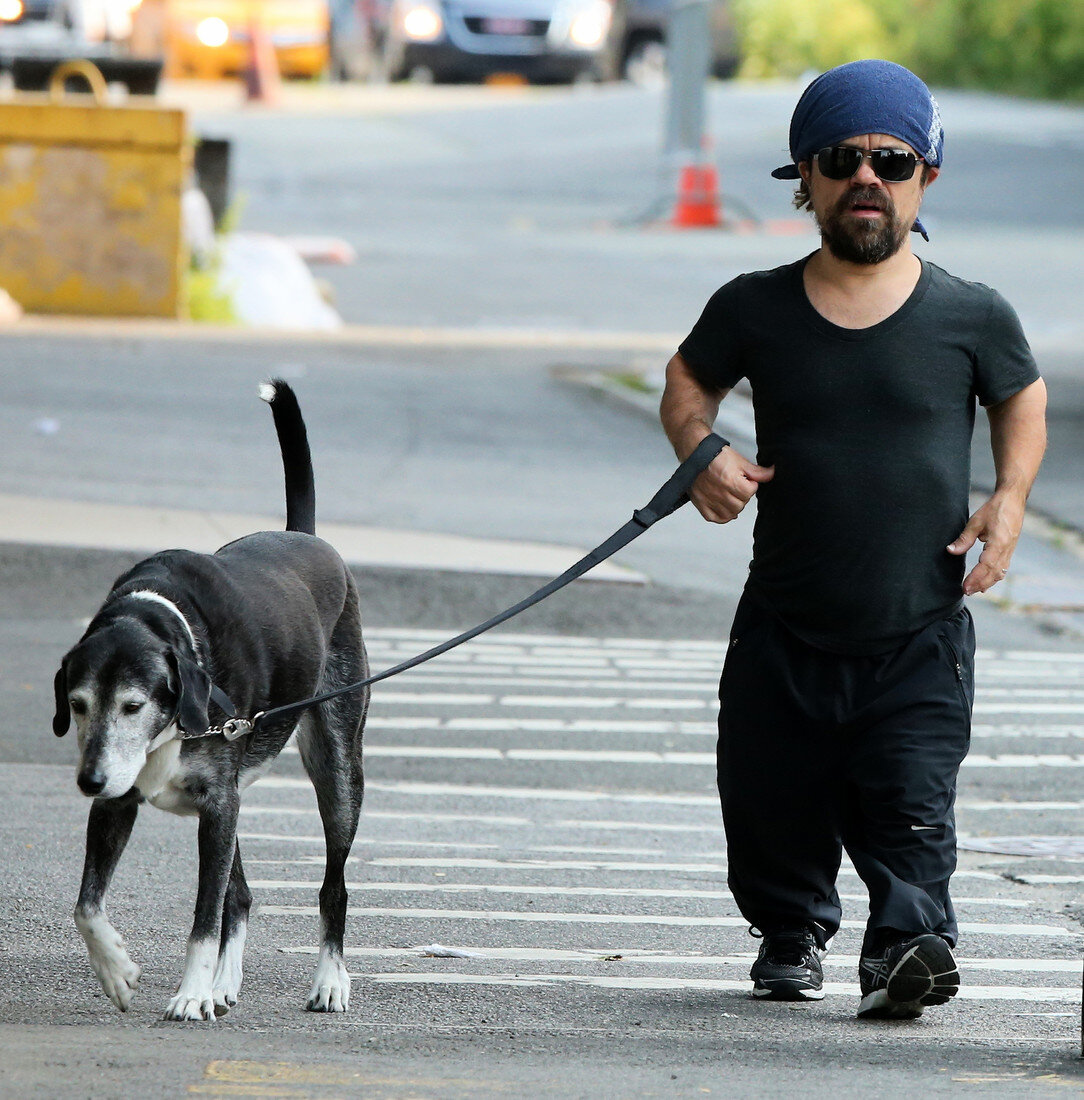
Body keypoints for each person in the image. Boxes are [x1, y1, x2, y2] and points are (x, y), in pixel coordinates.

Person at [659, 59, 1047, 1020]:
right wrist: (701, 449)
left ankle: (909, 947)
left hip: (920, 626)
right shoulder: (755, 306)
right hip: (785, 623)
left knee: (910, 801)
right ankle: (790, 932)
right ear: (808, 177)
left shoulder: (971, 313)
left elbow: (1022, 397)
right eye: (843, 159)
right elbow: (685, 381)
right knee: (767, 805)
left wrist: (1011, 496)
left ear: (927, 180)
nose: (868, 177)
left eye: (893, 160)